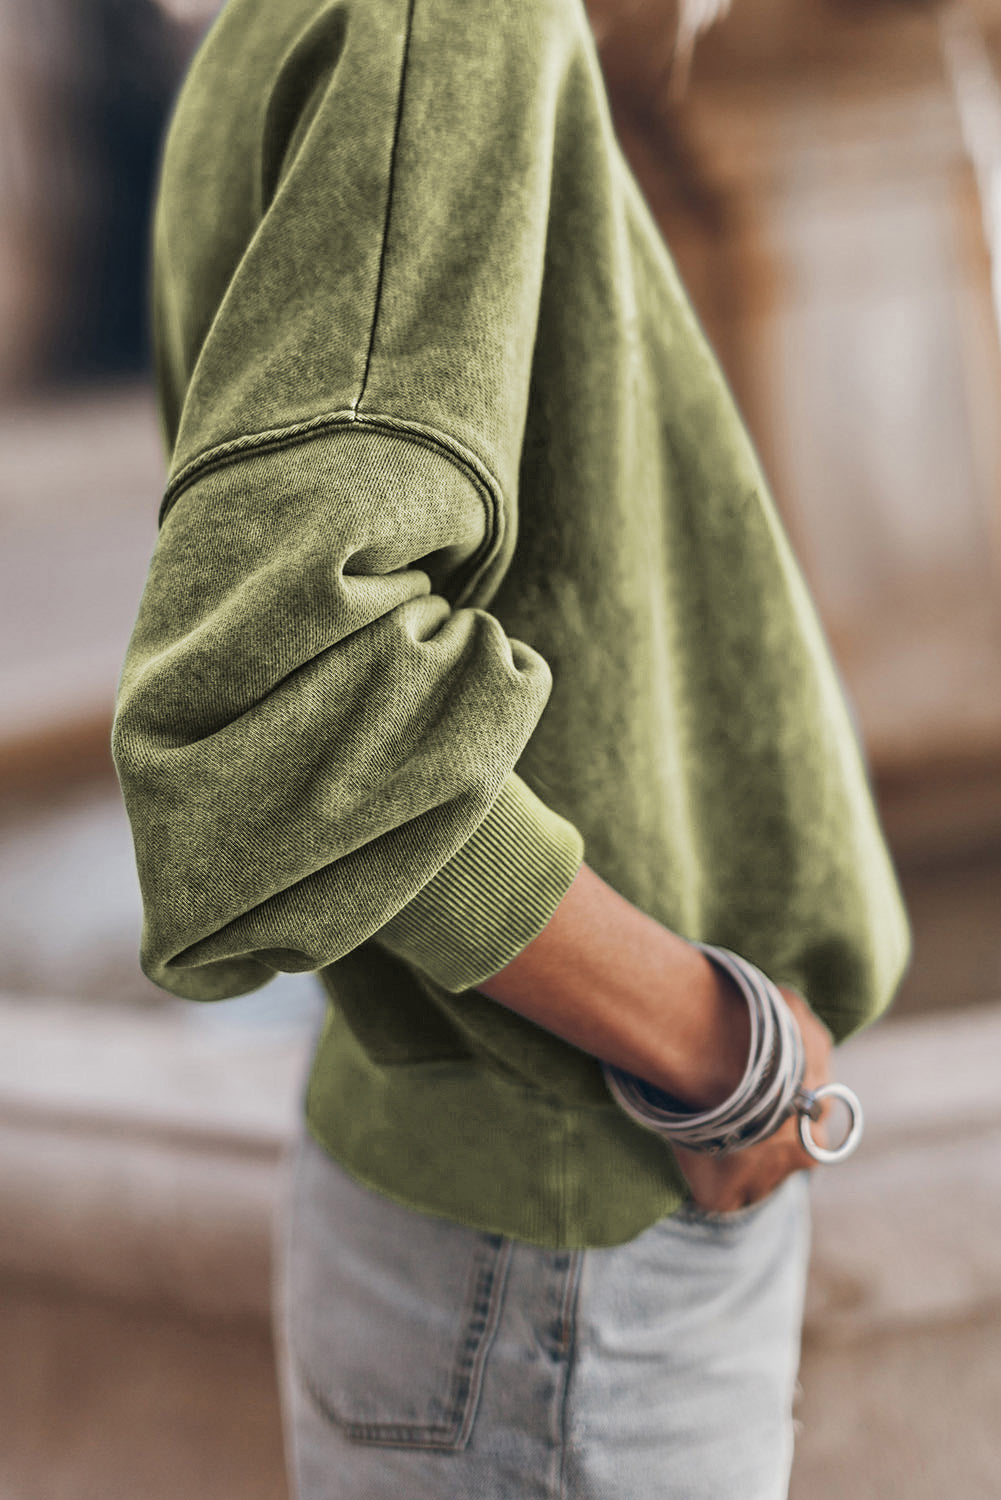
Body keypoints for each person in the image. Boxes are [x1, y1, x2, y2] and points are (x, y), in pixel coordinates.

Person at [112, 0, 912, 1495]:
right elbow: (290, 681)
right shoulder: (447, 19)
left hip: (499, 1227)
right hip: (574, 1227)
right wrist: (713, 1048)